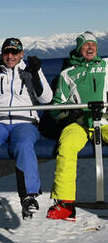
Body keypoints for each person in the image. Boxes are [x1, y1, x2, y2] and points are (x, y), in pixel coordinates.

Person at [0, 38, 52, 219]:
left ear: (21, 54)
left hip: (24, 121)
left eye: (14, 53)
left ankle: (28, 195)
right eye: (6, 52)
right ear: (2, 53)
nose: (10, 56)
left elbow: (46, 98)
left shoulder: (29, 72)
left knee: (23, 145)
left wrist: (36, 73)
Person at [46, 31, 108, 221]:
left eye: (93, 45)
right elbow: (55, 109)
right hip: (79, 123)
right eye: (86, 45)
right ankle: (65, 205)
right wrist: (69, 110)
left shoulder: (106, 65)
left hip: (105, 120)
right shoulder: (67, 74)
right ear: (79, 49)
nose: (90, 47)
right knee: (66, 147)